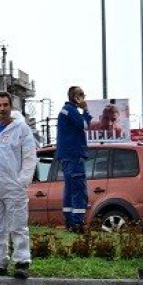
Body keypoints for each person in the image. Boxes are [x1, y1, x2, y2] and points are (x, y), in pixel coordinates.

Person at [0, 92, 38, 279]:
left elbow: (29, 157)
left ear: (11, 106)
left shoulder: (21, 130)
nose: (2, 108)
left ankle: (22, 261)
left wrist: (23, 181)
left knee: (17, 225)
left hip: (13, 185)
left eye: (5, 105)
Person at [56, 86, 92, 233]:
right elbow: (84, 125)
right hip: (74, 154)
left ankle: (70, 221)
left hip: (66, 155)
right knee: (78, 189)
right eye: (82, 95)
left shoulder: (65, 111)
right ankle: (77, 223)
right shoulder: (71, 111)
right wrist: (86, 110)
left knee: (70, 189)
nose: (84, 97)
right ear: (76, 97)